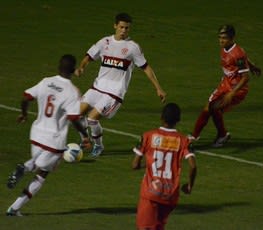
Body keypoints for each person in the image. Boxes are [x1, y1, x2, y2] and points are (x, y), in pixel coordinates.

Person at [6, 54, 91, 216]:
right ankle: (14, 207)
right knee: (42, 174)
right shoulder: (71, 91)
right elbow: (73, 118)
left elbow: (26, 97)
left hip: (36, 133)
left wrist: (24, 114)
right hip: (54, 140)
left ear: (59, 68)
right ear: (73, 70)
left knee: (38, 164)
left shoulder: (46, 81)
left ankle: (24, 169)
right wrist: (84, 136)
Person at [75, 12, 166, 157]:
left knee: (91, 119)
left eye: (127, 28)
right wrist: (81, 67)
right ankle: (85, 140)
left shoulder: (132, 48)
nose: (124, 31)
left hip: (114, 93)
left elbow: (146, 68)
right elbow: (88, 56)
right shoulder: (104, 42)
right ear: (115, 26)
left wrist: (158, 88)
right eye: (122, 27)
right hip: (97, 87)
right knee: (77, 114)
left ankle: (98, 146)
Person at [189, 24, 262, 147]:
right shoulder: (226, 48)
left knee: (214, 108)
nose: (221, 40)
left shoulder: (237, 53)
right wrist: (252, 65)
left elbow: (245, 77)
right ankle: (195, 136)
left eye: (224, 38)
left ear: (232, 38)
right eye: (219, 37)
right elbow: (244, 59)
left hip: (237, 89)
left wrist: (232, 93)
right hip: (225, 84)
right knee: (208, 108)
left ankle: (221, 135)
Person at [132, 103, 197, 230]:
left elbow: (135, 165)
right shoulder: (184, 140)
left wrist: (149, 164)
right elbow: (193, 166)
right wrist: (189, 186)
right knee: (158, 226)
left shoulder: (147, 136)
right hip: (170, 195)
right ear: (178, 120)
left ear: (161, 117)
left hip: (151, 193)